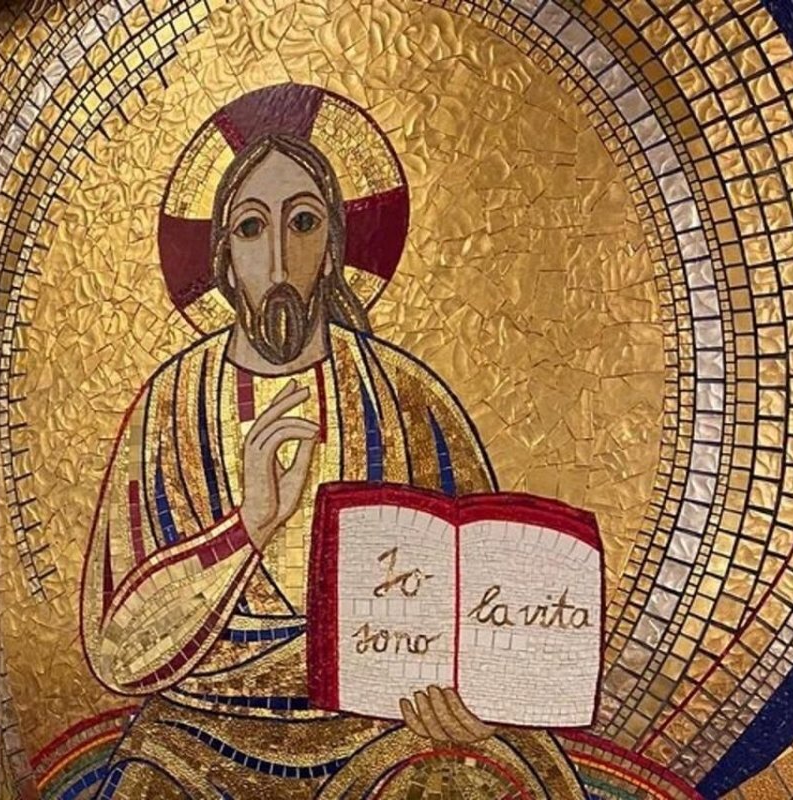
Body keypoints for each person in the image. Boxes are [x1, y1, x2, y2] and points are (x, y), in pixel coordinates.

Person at [81, 124, 587, 798]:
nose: (279, 260)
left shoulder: (406, 396)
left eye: (304, 223)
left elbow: (488, 594)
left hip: (384, 728)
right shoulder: (172, 404)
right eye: (251, 229)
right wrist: (249, 525)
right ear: (225, 260)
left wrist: (476, 699)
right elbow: (117, 649)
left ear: (331, 251)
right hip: (197, 733)